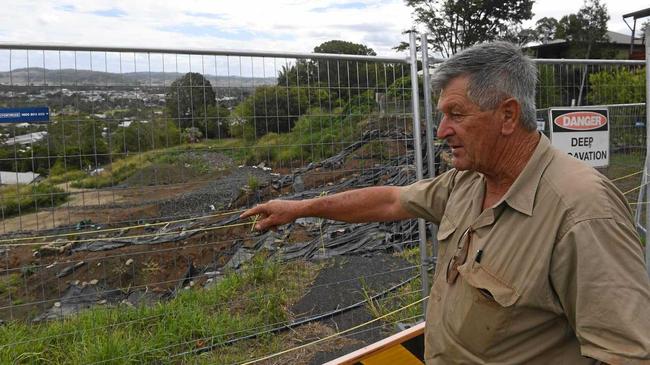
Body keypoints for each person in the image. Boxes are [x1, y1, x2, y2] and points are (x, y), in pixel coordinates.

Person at [241, 41, 650, 364]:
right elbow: (391, 200)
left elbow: (628, 354)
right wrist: (301, 207)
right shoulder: (467, 181)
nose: (441, 131)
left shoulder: (582, 213)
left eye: (456, 114)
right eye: (441, 115)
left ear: (508, 116)